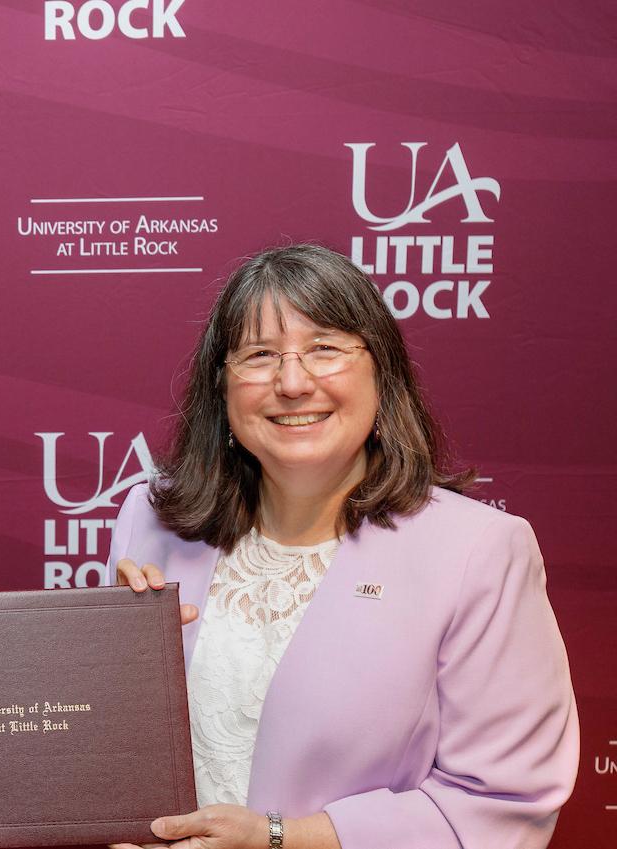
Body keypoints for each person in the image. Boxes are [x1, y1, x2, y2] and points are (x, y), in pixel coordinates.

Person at [108, 245, 577, 849]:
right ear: (221, 389)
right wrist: (104, 669)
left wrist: (282, 839)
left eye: (325, 349)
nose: (293, 382)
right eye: (258, 356)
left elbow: (504, 802)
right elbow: (95, 748)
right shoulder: (151, 520)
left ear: (381, 373)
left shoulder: (479, 550)